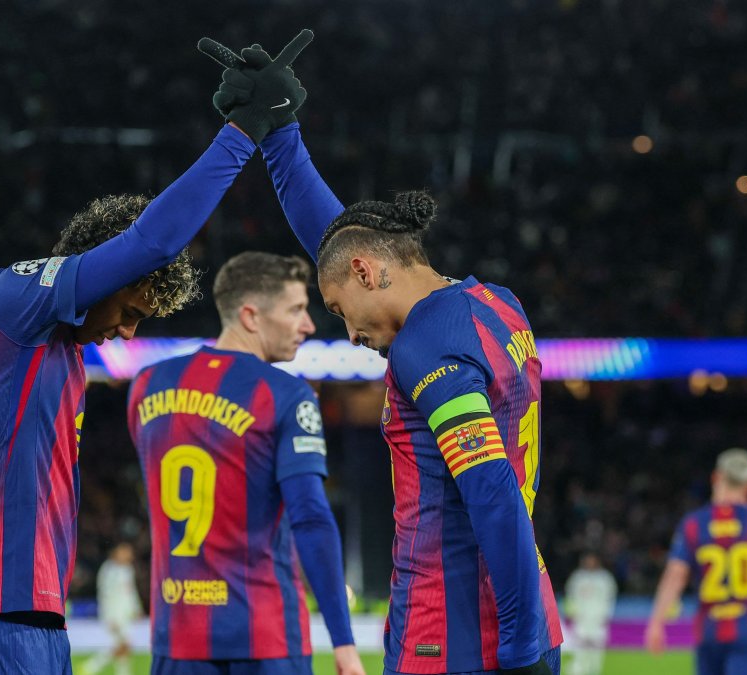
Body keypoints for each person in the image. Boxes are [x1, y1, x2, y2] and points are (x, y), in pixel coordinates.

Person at [0, 31, 315, 675]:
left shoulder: (49, 354)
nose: (126, 333)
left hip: (24, 619)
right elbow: (152, 242)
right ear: (105, 272)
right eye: (130, 312)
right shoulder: (14, 296)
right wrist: (244, 133)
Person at [197, 38, 563, 675]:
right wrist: (281, 134)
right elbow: (339, 241)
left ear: (367, 273)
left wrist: (519, 648)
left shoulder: (426, 349)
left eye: (338, 308)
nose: (348, 334)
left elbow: (492, 492)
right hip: (525, 603)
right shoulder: (496, 304)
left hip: (453, 635)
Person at [128, 252, 364, 675]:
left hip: (177, 639)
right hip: (265, 638)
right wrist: (344, 644)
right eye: (295, 310)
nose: (309, 325)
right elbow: (310, 518)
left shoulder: (147, 387)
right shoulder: (286, 395)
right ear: (251, 316)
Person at [645, 448, 747, 675]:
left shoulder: (694, 523)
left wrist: (656, 622)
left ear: (715, 477)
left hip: (709, 627)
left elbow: (675, 576)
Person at [78, 543, 143, 675]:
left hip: (126, 614)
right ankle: (91, 667)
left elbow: (131, 592)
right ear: (117, 552)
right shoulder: (108, 569)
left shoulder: (128, 569)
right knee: (124, 645)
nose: (129, 555)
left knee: (122, 646)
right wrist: (110, 616)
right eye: (125, 552)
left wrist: (137, 608)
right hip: (114, 614)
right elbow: (104, 594)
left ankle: (122, 672)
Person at [564, 553, 616, 675]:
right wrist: (573, 612)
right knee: (580, 645)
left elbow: (610, 597)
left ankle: (595, 670)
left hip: (598, 617)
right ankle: (579, 668)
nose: (590, 563)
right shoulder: (577, 577)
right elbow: (570, 595)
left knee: (597, 646)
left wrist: (606, 614)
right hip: (581, 617)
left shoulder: (605, 578)